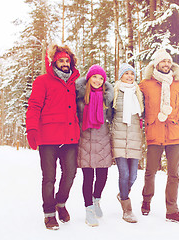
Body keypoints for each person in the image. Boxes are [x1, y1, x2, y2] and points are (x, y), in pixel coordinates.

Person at [26, 44, 80, 230]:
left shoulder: (75, 82)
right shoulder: (42, 81)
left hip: (70, 137)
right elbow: (34, 106)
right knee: (49, 178)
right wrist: (31, 130)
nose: (65, 64)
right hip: (48, 137)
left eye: (67, 61)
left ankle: (61, 203)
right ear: (54, 62)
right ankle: (49, 214)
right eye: (61, 61)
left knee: (71, 174)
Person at [139, 49, 179, 224]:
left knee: (174, 174)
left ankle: (172, 211)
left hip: (175, 134)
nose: (166, 64)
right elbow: (138, 105)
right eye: (163, 62)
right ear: (156, 64)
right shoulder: (145, 84)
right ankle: (146, 201)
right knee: (150, 171)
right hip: (154, 132)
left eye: (169, 62)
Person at [76, 64, 114, 227]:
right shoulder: (79, 97)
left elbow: (113, 117)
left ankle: (96, 199)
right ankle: (88, 210)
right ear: (89, 78)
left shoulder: (107, 98)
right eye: (95, 77)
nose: (98, 81)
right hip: (84, 138)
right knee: (88, 177)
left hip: (103, 138)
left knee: (103, 175)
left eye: (101, 78)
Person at [112, 63, 144, 223]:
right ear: (121, 76)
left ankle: (122, 193)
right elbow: (108, 113)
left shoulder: (138, 93)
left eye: (132, 74)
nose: (130, 76)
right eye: (126, 74)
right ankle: (127, 209)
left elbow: (142, 115)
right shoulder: (115, 92)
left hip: (134, 138)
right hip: (118, 138)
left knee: (133, 176)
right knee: (123, 174)